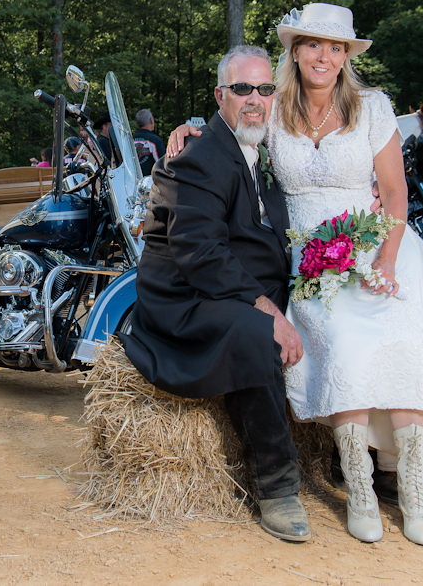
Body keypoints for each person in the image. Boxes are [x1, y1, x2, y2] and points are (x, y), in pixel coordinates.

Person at [167, 3, 423, 546]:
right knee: (343, 344)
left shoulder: (373, 106)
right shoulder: (275, 107)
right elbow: (234, 116)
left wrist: (386, 259)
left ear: (346, 57)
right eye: (314, 45)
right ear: (295, 52)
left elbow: (395, 193)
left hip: (374, 243)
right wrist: (190, 127)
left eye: (336, 47)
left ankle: (411, 489)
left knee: (402, 341)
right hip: (309, 257)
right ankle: (360, 490)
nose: (324, 56)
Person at [119, 45, 312, 543]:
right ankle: (277, 486)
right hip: (187, 295)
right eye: (242, 89)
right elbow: (201, 254)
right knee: (255, 334)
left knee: (331, 315)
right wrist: (269, 312)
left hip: (237, 279)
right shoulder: (199, 156)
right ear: (220, 95)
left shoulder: (258, 145)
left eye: (264, 89)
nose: (255, 99)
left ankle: (369, 460)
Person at [133, 109, 166, 176]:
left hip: (132, 179)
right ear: (151, 120)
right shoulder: (155, 141)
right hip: (151, 180)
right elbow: (162, 165)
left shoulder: (130, 140)